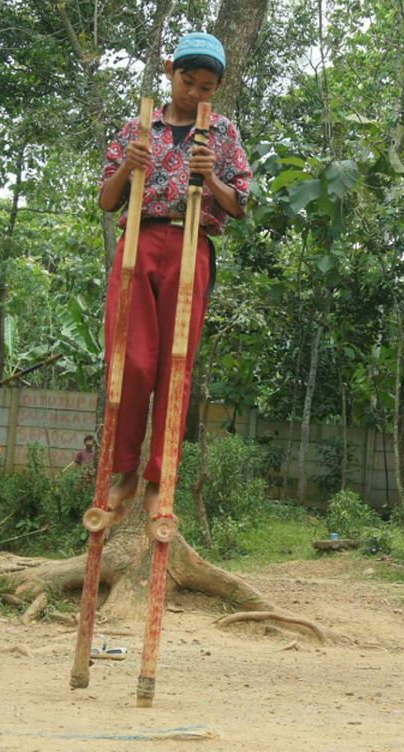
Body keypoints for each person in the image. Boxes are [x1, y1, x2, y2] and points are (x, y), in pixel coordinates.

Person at [95, 31, 251, 524]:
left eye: (207, 87)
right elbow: (106, 198)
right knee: (131, 360)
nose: (195, 94)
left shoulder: (222, 134)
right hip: (139, 242)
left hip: (191, 245)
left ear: (217, 89)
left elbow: (240, 204)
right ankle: (122, 471)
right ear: (170, 71)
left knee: (175, 366)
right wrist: (128, 166)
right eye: (189, 81)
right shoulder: (138, 127)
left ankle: (160, 479)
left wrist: (213, 179)